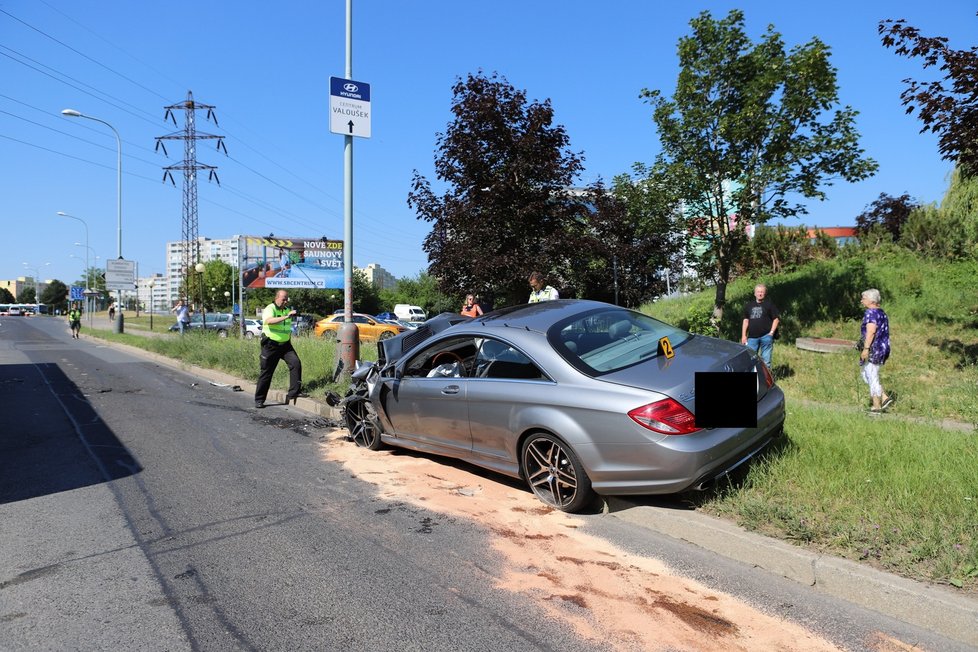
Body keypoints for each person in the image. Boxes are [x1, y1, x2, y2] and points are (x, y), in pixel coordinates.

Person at [254, 290, 303, 408]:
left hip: (285, 345)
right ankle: (259, 400)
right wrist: (286, 316)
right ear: (277, 298)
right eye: (283, 299)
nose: (285, 301)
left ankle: (294, 393)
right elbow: (269, 321)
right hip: (271, 345)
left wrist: (291, 314)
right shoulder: (270, 308)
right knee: (267, 372)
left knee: (296, 364)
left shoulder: (286, 310)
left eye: (287, 299)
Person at [859, 288, 894, 414]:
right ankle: (884, 397)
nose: (861, 301)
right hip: (882, 347)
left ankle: (876, 406)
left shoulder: (871, 313)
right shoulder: (881, 312)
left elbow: (871, 331)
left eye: (863, 298)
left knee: (871, 374)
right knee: (865, 373)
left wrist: (866, 349)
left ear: (871, 300)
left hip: (874, 348)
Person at [741, 283, 780, 367]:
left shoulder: (769, 305)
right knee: (750, 360)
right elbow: (745, 320)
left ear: (765, 293)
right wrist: (744, 335)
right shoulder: (749, 306)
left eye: (762, 292)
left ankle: (765, 379)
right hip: (752, 338)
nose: (760, 293)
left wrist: (771, 333)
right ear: (755, 293)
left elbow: (776, 319)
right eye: (758, 292)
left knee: (766, 361)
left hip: (766, 336)